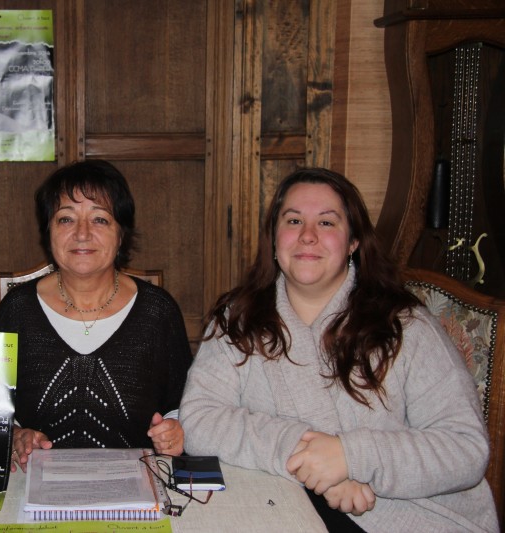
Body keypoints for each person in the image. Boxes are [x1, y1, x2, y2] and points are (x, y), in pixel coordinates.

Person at [180, 167, 498, 532]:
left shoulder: (406, 327)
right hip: (284, 507)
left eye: (327, 223)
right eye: (294, 220)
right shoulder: (237, 320)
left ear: (353, 242)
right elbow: (201, 418)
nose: (308, 235)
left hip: (406, 516)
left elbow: (465, 449)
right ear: (274, 238)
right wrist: (303, 455)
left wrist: (351, 457)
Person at [0, 160, 192, 472]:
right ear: (48, 232)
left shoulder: (158, 312)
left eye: (99, 219)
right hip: (36, 485)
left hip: (134, 486)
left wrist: (176, 429)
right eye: (66, 219)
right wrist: (15, 435)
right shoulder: (16, 310)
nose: (82, 234)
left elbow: (183, 405)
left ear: (121, 234)